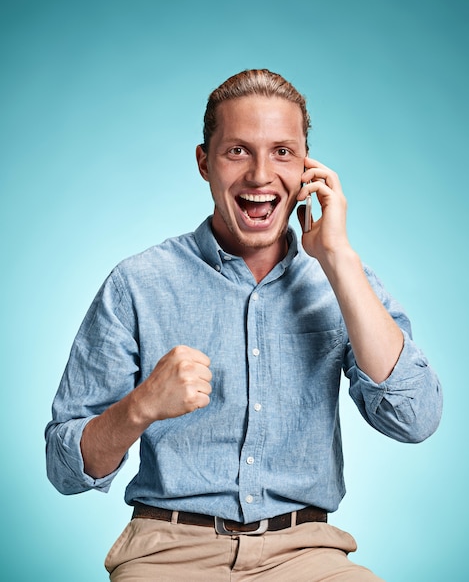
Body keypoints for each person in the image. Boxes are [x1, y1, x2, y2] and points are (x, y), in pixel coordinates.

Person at [45, 68, 442, 581]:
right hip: (167, 554)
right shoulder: (137, 284)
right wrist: (140, 407)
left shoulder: (344, 282)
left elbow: (415, 419)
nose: (259, 175)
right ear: (204, 163)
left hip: (307, 555)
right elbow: (64, 468)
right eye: (238, 151)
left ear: (306, 169)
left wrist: (339, 260)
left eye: (282, 152)